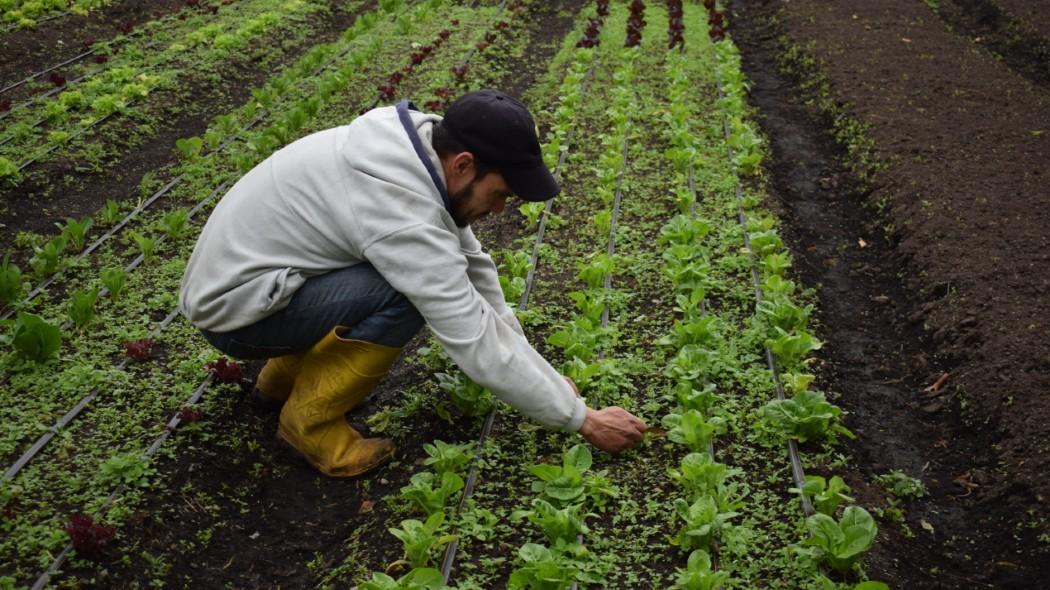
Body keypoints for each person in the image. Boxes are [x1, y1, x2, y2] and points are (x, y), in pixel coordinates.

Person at [177, 90, 647, 477]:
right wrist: (580, 420)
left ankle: (279, 382)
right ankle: (309, 426)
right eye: (499, 193)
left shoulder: (411, 155)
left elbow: (474, 265)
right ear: (464, 165)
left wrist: (540, 372)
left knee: (398, 275)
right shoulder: (398, 214)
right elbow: (471, 334)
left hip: (256, 283)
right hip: (236, 314)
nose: (500, 209)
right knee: (402, 291)